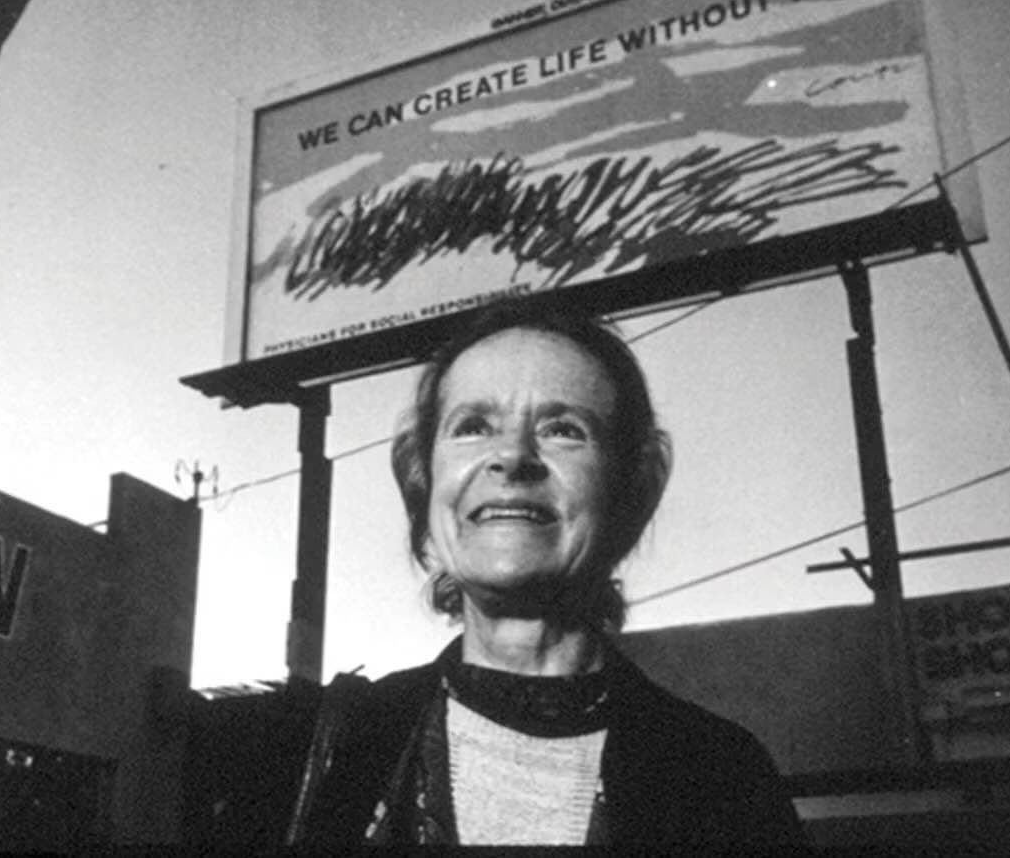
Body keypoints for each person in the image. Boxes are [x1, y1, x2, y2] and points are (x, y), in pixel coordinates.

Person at [187, 299, 805, 848]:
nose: (511, 456)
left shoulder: (723, 778)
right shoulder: (307, 756)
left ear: (630, 488)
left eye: (563, 430)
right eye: (473, 427)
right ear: (425, 482)